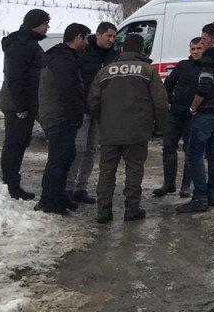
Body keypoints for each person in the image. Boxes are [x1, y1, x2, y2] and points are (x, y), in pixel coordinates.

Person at [89, 34, 169, 222]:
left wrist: (102, 120)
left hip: (110, 131)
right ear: (142, 50)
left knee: (107, 171)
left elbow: (93, 101)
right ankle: (131, 210)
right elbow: (160, 102)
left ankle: (103, 212)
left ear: (123, 49)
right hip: (137, 131)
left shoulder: (105, 71)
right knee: (134, 170)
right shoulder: (147, 70)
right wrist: (162, 126)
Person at [177, 22, 214, 214]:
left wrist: (194, 106)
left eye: (205, 39)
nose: (201, 41)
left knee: (194, 154)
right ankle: (213, 195)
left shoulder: (209, 56)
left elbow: (205, 84)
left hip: (207, 112)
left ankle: (199, 197)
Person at [35, 23, 90, 215]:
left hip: (58, 114)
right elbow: (67, 90)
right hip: (59, 116)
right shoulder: (62, 59)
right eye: (86, 38)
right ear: (78, 38)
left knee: (67, 156)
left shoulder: (63, 57)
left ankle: (58, 195)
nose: (87, 43)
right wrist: (76, 115)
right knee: (58, 159)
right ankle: (48, 200)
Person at [0, 8, 50, 200]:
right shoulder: (21, 45)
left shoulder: (30, 43)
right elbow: (16, 77)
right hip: (16, 103)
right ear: (35, 24)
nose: (48, 27)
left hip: (23, 102)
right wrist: (21, 106)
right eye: (45, 23)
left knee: (20, 143)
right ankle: (10, 185)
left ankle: (12, 183)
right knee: (14, 144)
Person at [67, 21, 118, 205]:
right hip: (82, 108)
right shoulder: (84, 51)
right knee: (78, 148)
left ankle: (81, 187)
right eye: (108, 36)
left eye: (114, 37)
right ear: (98, 34)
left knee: (91, 149)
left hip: (100, 109)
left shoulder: (114, 55)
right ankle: (68, 188)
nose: (111, 40)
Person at [153, 37, 204, 198]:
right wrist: (169, 100)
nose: (195, 52)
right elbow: (167, 84)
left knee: (190, 150)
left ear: (204, 49)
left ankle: (186, 187)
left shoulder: (207, 67)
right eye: (193, 49)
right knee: (168, 147)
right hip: (175, 113)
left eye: (198, 49)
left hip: (194, 115)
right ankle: (168, 184)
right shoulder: (182, 65)